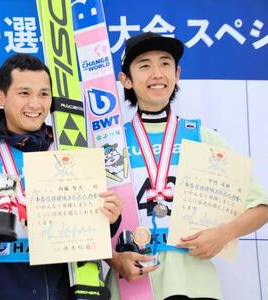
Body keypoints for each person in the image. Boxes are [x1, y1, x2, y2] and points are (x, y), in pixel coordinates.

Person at [105, 32, 268, 300]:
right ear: (126, 79)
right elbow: (90, 223)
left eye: (165, 63)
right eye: (144, 65)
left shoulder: (200, 136)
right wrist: (113, 259)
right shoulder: (112, 143)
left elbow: (261, 207)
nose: (157, 73)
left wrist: (221, 235)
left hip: (193, 282)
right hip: (131, 282)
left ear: (177, 73)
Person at [0, 53, 122, 299]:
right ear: (0, 96)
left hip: (68, 289)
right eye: (24, 93)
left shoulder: (69, 151)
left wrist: (111, 218)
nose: (35, 104)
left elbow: (93, 229)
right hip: (8, 289)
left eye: (43, 94)